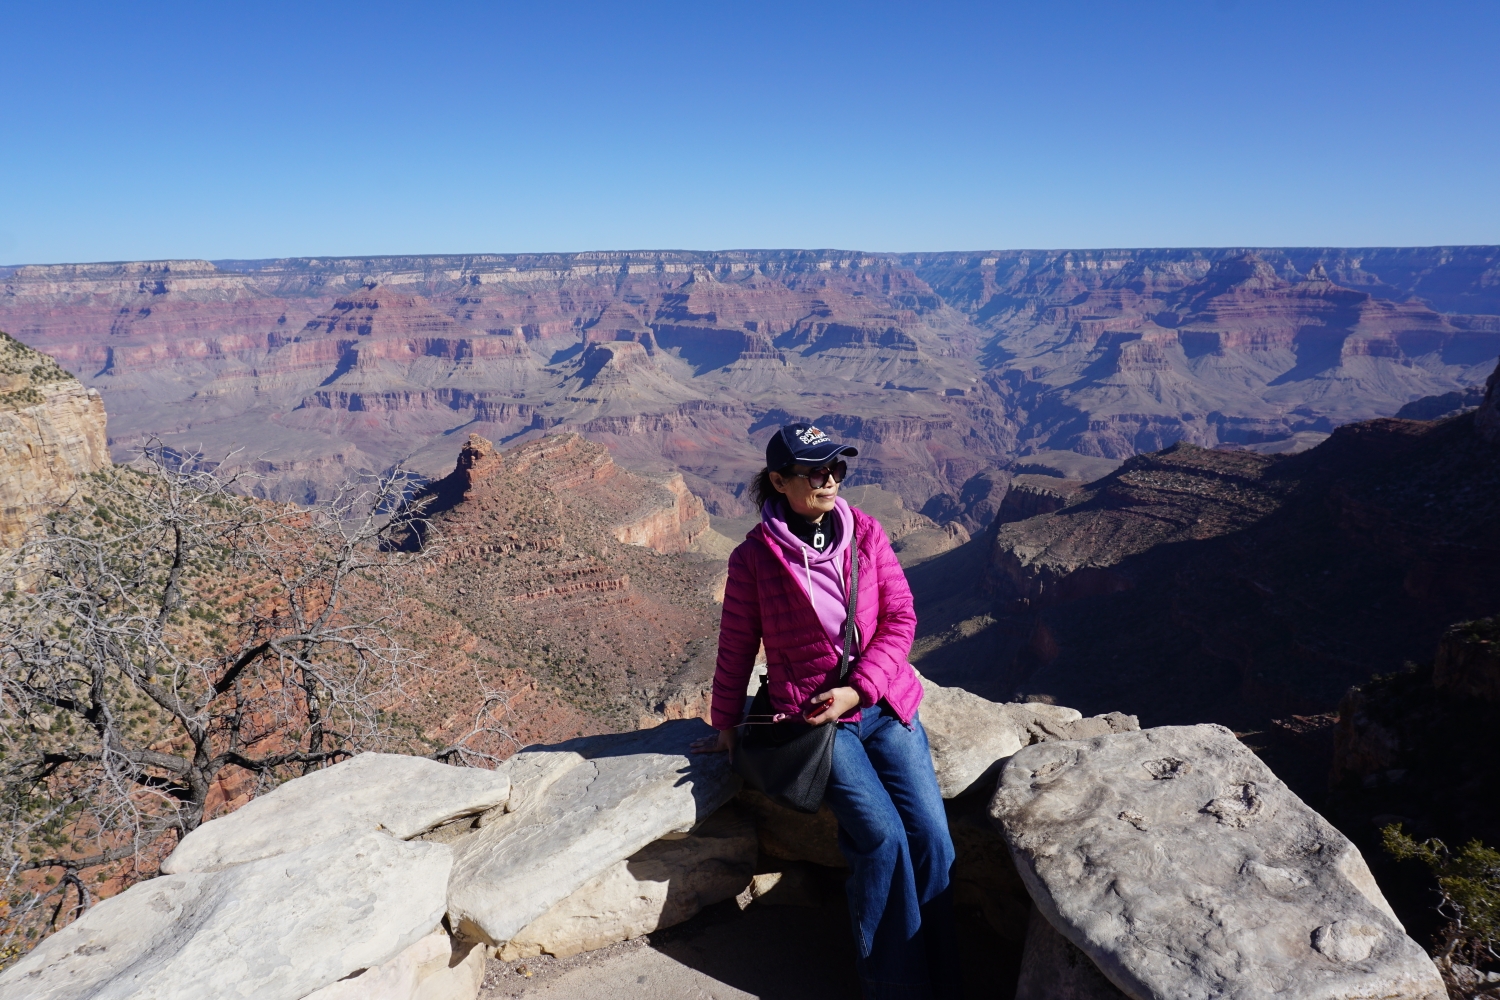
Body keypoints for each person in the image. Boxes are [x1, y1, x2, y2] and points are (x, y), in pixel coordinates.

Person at [692, 423, 959, 1000]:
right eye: (816, 471)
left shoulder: (865, 531)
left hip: (883, 702)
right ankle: (895, 984)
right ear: (779, 481)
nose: (830, 479)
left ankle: (942, 966)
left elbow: (902, 618)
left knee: (933, 837)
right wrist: (725, 726)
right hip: (815, 723)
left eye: (838, 468)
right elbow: (736, 646)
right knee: (881, 838)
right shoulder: (753, 560)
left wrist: (860, 689)